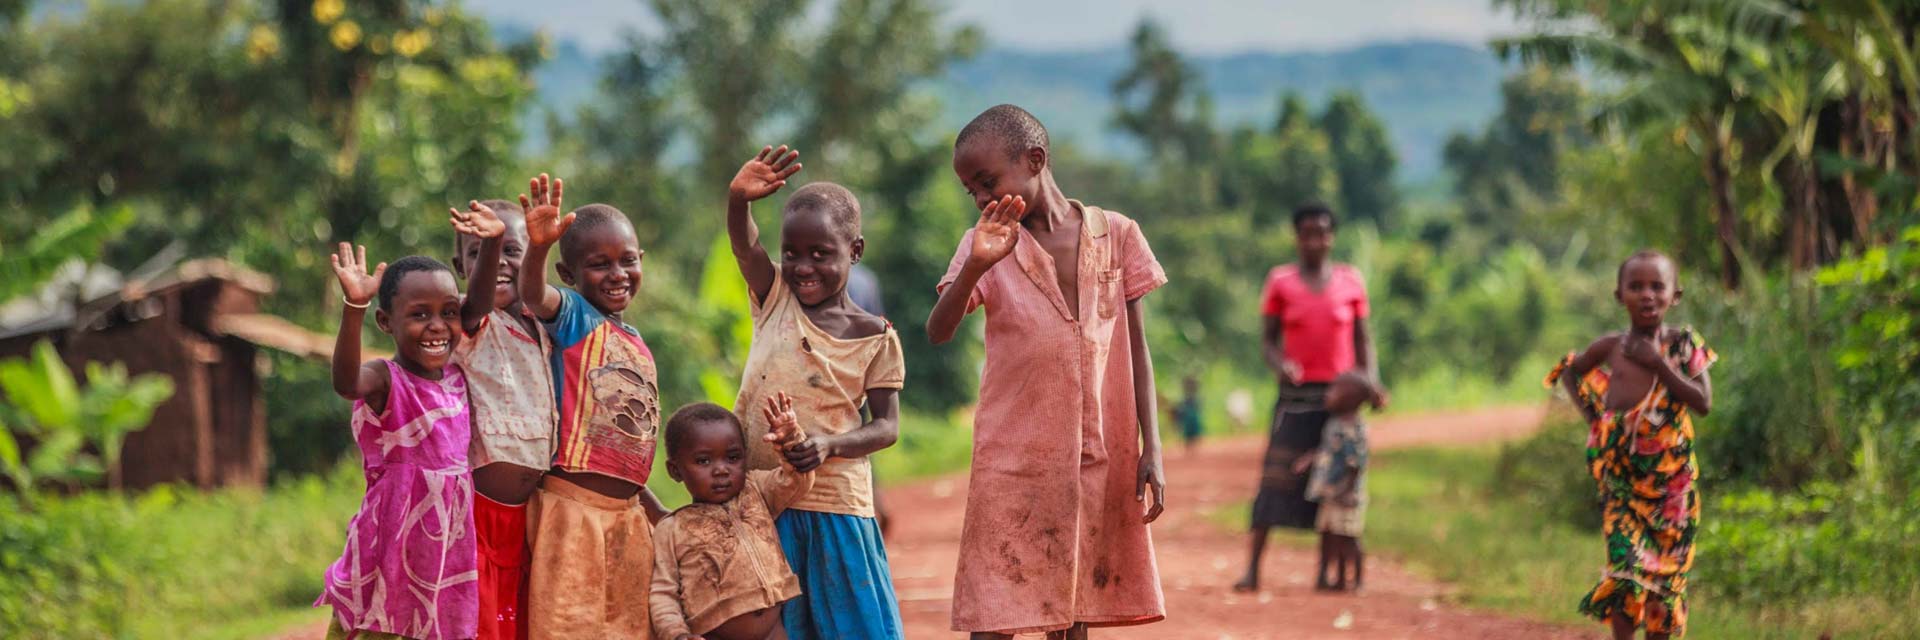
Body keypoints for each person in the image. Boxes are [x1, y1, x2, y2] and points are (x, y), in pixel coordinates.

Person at [928, 104, 1168, 639]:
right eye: (971, 190)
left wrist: (1151, 447)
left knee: (1072, 611)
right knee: (994, 613)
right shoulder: (982, 245)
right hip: (1010, 462)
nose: (982, 199)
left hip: (1094, 456)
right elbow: (938, 329)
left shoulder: (1118, 235)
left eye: (987, 182)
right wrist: (976, 266)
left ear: (1034, 160)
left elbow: (1137, 348)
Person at [723, 146, 909, 639]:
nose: (802, 266)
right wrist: (738, 200)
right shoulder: (774, 296)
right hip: (765, 499)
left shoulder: (876, 336)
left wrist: (828, 446)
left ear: (856, 251)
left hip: (837, 504)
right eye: (792, 253)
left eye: (820, 254)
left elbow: (886, 427)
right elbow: (745, 247)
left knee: (852, 624)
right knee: (779, 625)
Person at [514, 174, 670, 639]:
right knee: (567, 624)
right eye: (600, 264)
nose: (617, 274)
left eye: (627, 261)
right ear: (569, 275)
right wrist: (538, 248)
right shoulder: (576, 318)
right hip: (573, 513)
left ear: (641, 262)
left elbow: (628, 457)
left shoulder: (638, 343)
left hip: (628, 516)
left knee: (630, 627)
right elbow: (531, 295)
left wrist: (659, 514)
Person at [1545, 250, 1715, 640]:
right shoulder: (1610, 347)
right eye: (1635, 286)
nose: (1647, 295)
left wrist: (1658, 364)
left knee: (1666, 581)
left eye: (1657, 286)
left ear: (1676, 296)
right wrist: (1596, 422)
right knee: (1624, 570)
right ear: (1619, 295)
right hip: (1622, 485)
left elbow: (1703, 403)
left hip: (1673, 489)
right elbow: (1571, 372)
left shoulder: (1686, 345)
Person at [316, 247, 477, 640]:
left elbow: (481, 301)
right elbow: (345, 383)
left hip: (445, 557)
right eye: (420, 314)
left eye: (449, 312)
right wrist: (354, 305)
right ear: (386, 322)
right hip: (389, 549)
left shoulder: (457, 377)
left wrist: (490, 243)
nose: (437, 325)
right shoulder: (385, 379)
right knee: (380, 624)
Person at [1235, 202, 1380, 593]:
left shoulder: (1351, 281)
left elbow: (1363, 340)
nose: (1316, 240)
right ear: (1297, 237)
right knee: (1274, 482)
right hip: (1294, 398)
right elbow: (1267, 341)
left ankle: (1325, 573)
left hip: (1340, 400)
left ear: (1332, 236)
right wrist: (1279, 364)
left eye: (1323, 231)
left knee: (1334, 485)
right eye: (1308, 233)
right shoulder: (1280, 281)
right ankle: (1252, 570)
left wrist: (1371, 384)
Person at [448, 199, 557, 640]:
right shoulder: (468, 322)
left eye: (514, 250)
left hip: (531, 519)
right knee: (479, 625)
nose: (500, 264)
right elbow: (475, 300)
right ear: (461, 265)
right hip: (476, 517)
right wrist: (492, 243)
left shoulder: (547, 327)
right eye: (479, 254)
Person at [650, 397, 815, 640]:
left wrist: (790, 439)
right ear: (676, 470)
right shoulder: (673, 528)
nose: (721, 470)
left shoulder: (757, 491)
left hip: (774, 631)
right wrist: (675, 634)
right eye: (704, 461)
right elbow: (663, 592)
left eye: (733, 457)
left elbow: (798, 481)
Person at [1294, 371, 1380, 592]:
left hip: (1345, 496)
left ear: (1351, 398)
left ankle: (1355, 580)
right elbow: (1328, 449)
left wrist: (1347, 490)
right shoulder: (1334, 423)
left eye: (1334, 390)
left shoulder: (1355, 429)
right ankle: (1330, 577)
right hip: (1329, 493)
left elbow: (1355, 464)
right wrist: (1309, 459)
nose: (1328, 394)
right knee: (1328, 534)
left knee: (1348, 538)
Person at [845, 262, 895, 538]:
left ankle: (867, 505)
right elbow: (880, 326)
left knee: (850, 443)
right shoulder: (867, 278)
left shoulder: (813, 273)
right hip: (863, 373)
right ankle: (876, 503)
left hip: (839, 375)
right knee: (862, 441)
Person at [1168, 376, 1203, 457]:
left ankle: (1192, 447)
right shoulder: (1187, 399)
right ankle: (1190, 447)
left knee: (1192, 431)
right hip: (1189, 418)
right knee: (1189, 432)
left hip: (1192, 417)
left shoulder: (1194, 398)